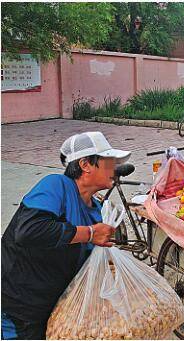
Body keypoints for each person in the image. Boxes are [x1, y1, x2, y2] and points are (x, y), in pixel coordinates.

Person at [1, 131, 131, 339]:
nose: (114, 168)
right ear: (86, 164)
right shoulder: (55, 186)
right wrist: (89, 234)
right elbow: (28, 231)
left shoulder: (96, 210)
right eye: (109, 161)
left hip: (54, 308)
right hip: (19, 307)